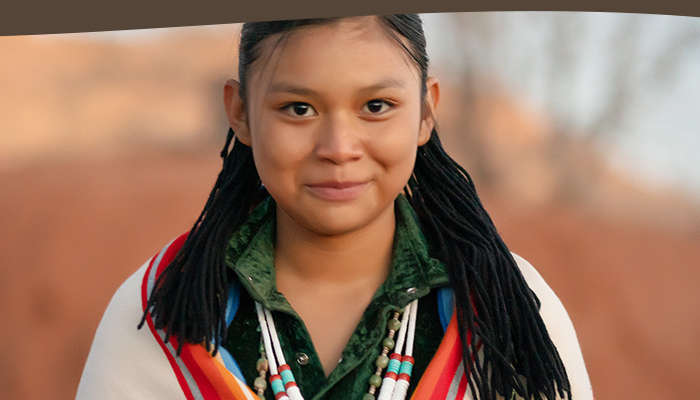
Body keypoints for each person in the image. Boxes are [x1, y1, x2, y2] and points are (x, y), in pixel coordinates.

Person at [77, 15, 593, 400]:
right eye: (298, 109)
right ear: (240, 113)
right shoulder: (160, 312)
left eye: (376, 107)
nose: (339, 147)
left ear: (425, 111)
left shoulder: (509, 310)